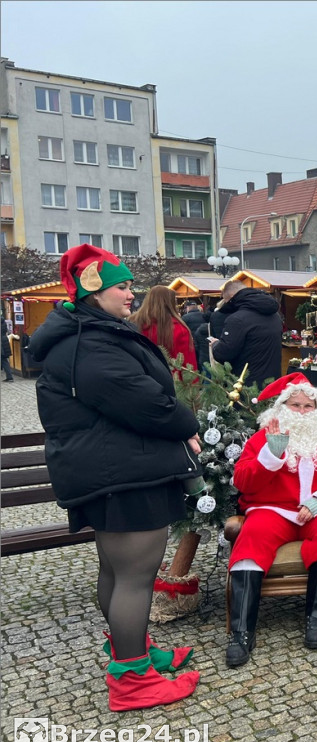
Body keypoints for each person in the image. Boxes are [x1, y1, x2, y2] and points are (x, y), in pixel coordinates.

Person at [30, 244, 202, 711]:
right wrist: (188, 425)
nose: (131, 294)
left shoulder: (89, 333)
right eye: (122, 287)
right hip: (124, 473)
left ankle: (133, 652)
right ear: (93, 291)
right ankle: (132, 680)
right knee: (134, 576)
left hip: (116, 468)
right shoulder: (90, 342)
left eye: (130, 285)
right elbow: (142, 401)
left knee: (117, 570)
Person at [226, 372, 317, 667]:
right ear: (281, 408)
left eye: (308, 406)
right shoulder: (263, 436)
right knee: (252, 537)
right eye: (295, 405)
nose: (302, 412)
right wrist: (272, 454)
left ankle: (315, 618)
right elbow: (242, 479)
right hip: (272, 509)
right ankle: (242, 632)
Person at [209, 279, 283, 387]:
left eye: (226, 301)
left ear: (232, 297)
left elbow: (224, 354)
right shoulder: (275, 315)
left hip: (245, 385)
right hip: (272, 381)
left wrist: (215, 344)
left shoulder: (237, 319)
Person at [128, 286, 198, 379]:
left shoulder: (132, 323)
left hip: (138, 379)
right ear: (171, 303)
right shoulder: (179, 328)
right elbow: (188, 364)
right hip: (172, 383)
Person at [181, 300, 211, 372]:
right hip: (205, 342)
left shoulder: (185, 317)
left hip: (192, 342)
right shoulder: (204, 315)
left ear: (188, 307)